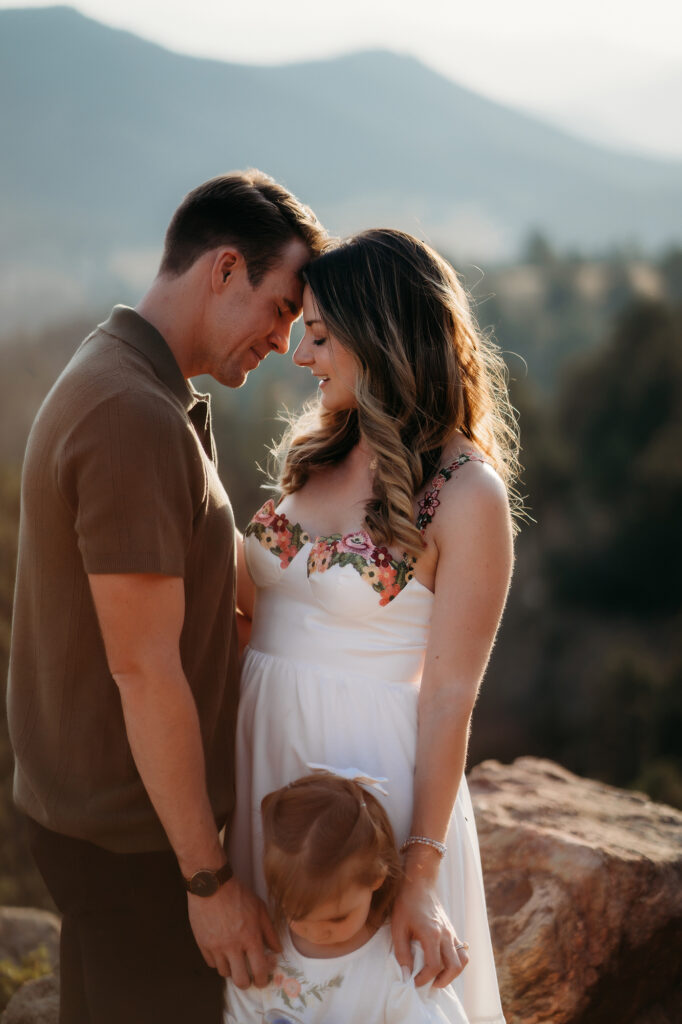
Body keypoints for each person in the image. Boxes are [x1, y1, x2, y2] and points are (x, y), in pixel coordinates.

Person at [6, 169, 326, 1024]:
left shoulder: (139, 383)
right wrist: (207, 878)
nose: (285, 343)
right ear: (225, 270)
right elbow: (144, 668)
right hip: (134, 841)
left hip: (110, 822)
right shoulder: (130, 416)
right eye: (282, 309)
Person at [231, 229, 518, 1023]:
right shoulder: (320, 448)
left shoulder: (465, 492)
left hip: (373, 796)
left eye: (319, 334)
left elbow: (451, 694)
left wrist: (418, 876)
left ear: (382, 334)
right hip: (268, 776)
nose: (299, 353)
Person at [225, 769, 470, 1023]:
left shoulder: (399, 962)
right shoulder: (264, 958)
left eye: (337, 919)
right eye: (296, 915)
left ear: (377, 877)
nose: (317, 932)